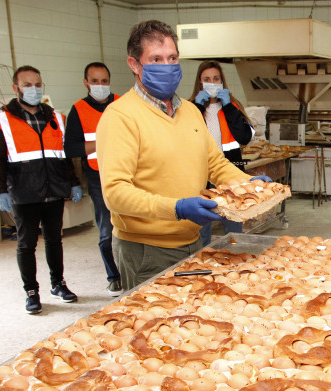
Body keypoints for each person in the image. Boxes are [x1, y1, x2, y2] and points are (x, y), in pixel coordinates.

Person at [96, 20, 268, 290]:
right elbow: (116, 194)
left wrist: (249, 184)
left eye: (172, 58)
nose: (167, 66)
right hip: (147, 250)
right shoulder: (121, 117)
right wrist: (176, 208)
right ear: (134, 64)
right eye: (156, 59)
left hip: (193, 240)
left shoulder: (189, 111)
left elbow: (215, 163)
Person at [0, 65, 82, 314]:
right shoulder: (3, 120)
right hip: (23, 192)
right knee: (26, 244)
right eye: (27, 85)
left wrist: (73, 182)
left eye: (38, 84)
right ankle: (31, 291)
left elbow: (64, 157)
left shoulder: (55, 117)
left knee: (54, 240)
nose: (34, 89)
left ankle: (58, 284)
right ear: (15, 88)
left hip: (53, 189)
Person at [64, 62, 122, 297]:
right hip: (98, 175)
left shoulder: (122, 103)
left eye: (104, 81)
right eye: (95, 81)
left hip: (129, 172)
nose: (100, 86)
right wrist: (103, 142)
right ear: (86, 82)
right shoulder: (78, 110)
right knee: (107, 228)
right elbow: (71, 148)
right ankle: (114, 277)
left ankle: (133, 270)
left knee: (134, 223)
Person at [188, 61, 255, 246]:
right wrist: (198, 108)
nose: (212, 83)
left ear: (222, 81)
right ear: (199, 83)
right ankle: (202, 262)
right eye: (207, 79)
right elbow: (184, 137)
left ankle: (235, 260)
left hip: (230, 173)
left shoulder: (232, 105)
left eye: (216, 79)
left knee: (233, 225)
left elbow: (244, 137)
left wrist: (228, 107)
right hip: (200, 174)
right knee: (202, 227)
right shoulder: (189, 108)